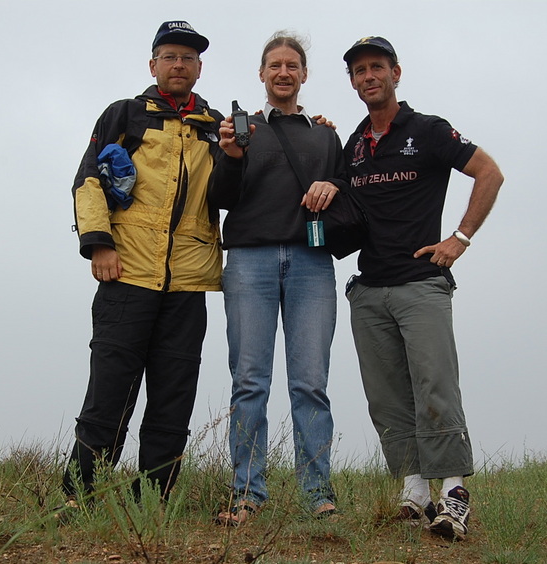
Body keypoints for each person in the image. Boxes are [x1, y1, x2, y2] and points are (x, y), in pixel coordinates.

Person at [323, 36, 504, 540]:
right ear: (353, 81)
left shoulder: (428, 129)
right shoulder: (355, 142)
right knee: (386, 398)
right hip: (369, 289)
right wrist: (320, 132)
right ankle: (415, 488)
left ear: (396, 73)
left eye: (376, 67)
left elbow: (489, 172)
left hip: (422, 283)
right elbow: (332, 188)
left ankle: (454, 493)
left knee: (435, 387)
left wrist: (459, 239)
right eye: (359, 71)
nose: (368, 77)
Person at [62, 20, 224, 506]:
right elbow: (88, 179)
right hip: (126, 272)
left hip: (188, 282)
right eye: (170, 56)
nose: (179, 64)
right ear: (153, 64)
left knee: (174, 400)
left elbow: (242, 183)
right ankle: (79, 500)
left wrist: (312, 125)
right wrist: (99, 244)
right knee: (109, 393)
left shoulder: (216, 127)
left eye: (188, 58)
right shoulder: (124, 114)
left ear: (199, 68)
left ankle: (150, 504)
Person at [209, 32, 346, 525]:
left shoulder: (326, 135)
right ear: (261, 74)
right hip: (249, 261)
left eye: (292, 65)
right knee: (249, 382)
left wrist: (334, 182)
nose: (283, 72)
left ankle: (318, 495)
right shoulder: (237, 131)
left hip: (312, 264)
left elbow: (347, 189)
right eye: (274, 65)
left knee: (310, 383)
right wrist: (231, 155)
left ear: (304, 75)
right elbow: (220, 197)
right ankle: (246, 493)